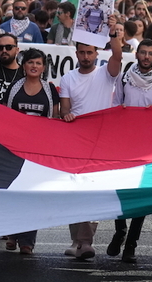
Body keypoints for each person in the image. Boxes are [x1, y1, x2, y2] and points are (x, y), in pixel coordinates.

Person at [59, 34, 123, 260]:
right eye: (82, 53)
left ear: (97, 54)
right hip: (75, 142)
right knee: (73, 191)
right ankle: (77, 242)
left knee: (92, 190)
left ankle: (85, 242)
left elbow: (117, 54)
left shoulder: (106, 74)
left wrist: (115, 33)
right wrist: (67, 116)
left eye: (90, 52)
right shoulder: (67, 78)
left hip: (101, 142)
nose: (86, 57)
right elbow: (64, 109)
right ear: (76, 54)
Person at [109, 38, 152, 264]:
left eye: (151, 54)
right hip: (124, 144)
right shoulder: (124, 78)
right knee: (120, 189)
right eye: (143, 53)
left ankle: (131, 243)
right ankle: (120, 230)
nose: (146, 57)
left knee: (143, 194)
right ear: (136, 54)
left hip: (150, 147)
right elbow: (116, 107)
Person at [3, 48, 58, 255]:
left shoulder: (50, 90)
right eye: (30, 62)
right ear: (23, 65)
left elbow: (55, 120)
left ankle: (27, 240)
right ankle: (11, 233)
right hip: (15, 149)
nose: (34, 66)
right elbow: (5, 117)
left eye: (38, 63)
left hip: (39, 152)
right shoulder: (14, 89)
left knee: (32, 193)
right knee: (13, 191)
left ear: (44, 68)